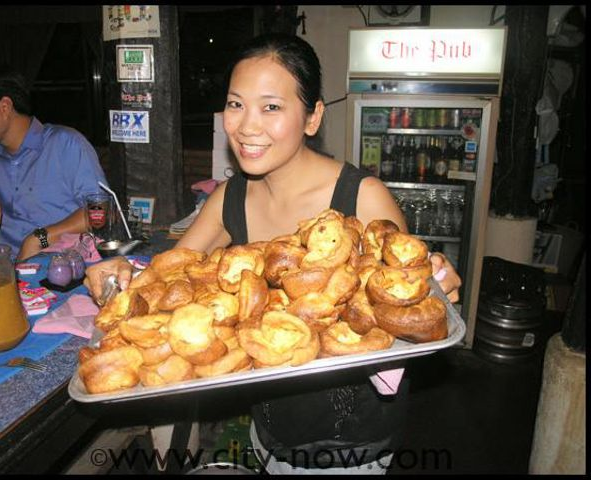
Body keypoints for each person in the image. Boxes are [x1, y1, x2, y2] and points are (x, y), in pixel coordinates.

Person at [84, 33, 461, 474]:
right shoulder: (228, 198)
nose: (246, 126)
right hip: (266, 428)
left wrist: (437, 284)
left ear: (312, 117)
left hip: (348, 442)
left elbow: (406, 294)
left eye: (271, 107)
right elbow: (170, 281)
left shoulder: (362, 197)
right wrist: (122, 273)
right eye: (236, 104)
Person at [0, 66, 108, 260]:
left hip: (67, 269)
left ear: (4, 106)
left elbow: (101, 210)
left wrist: (40, 239)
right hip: (10, 274)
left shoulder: (65, 144)